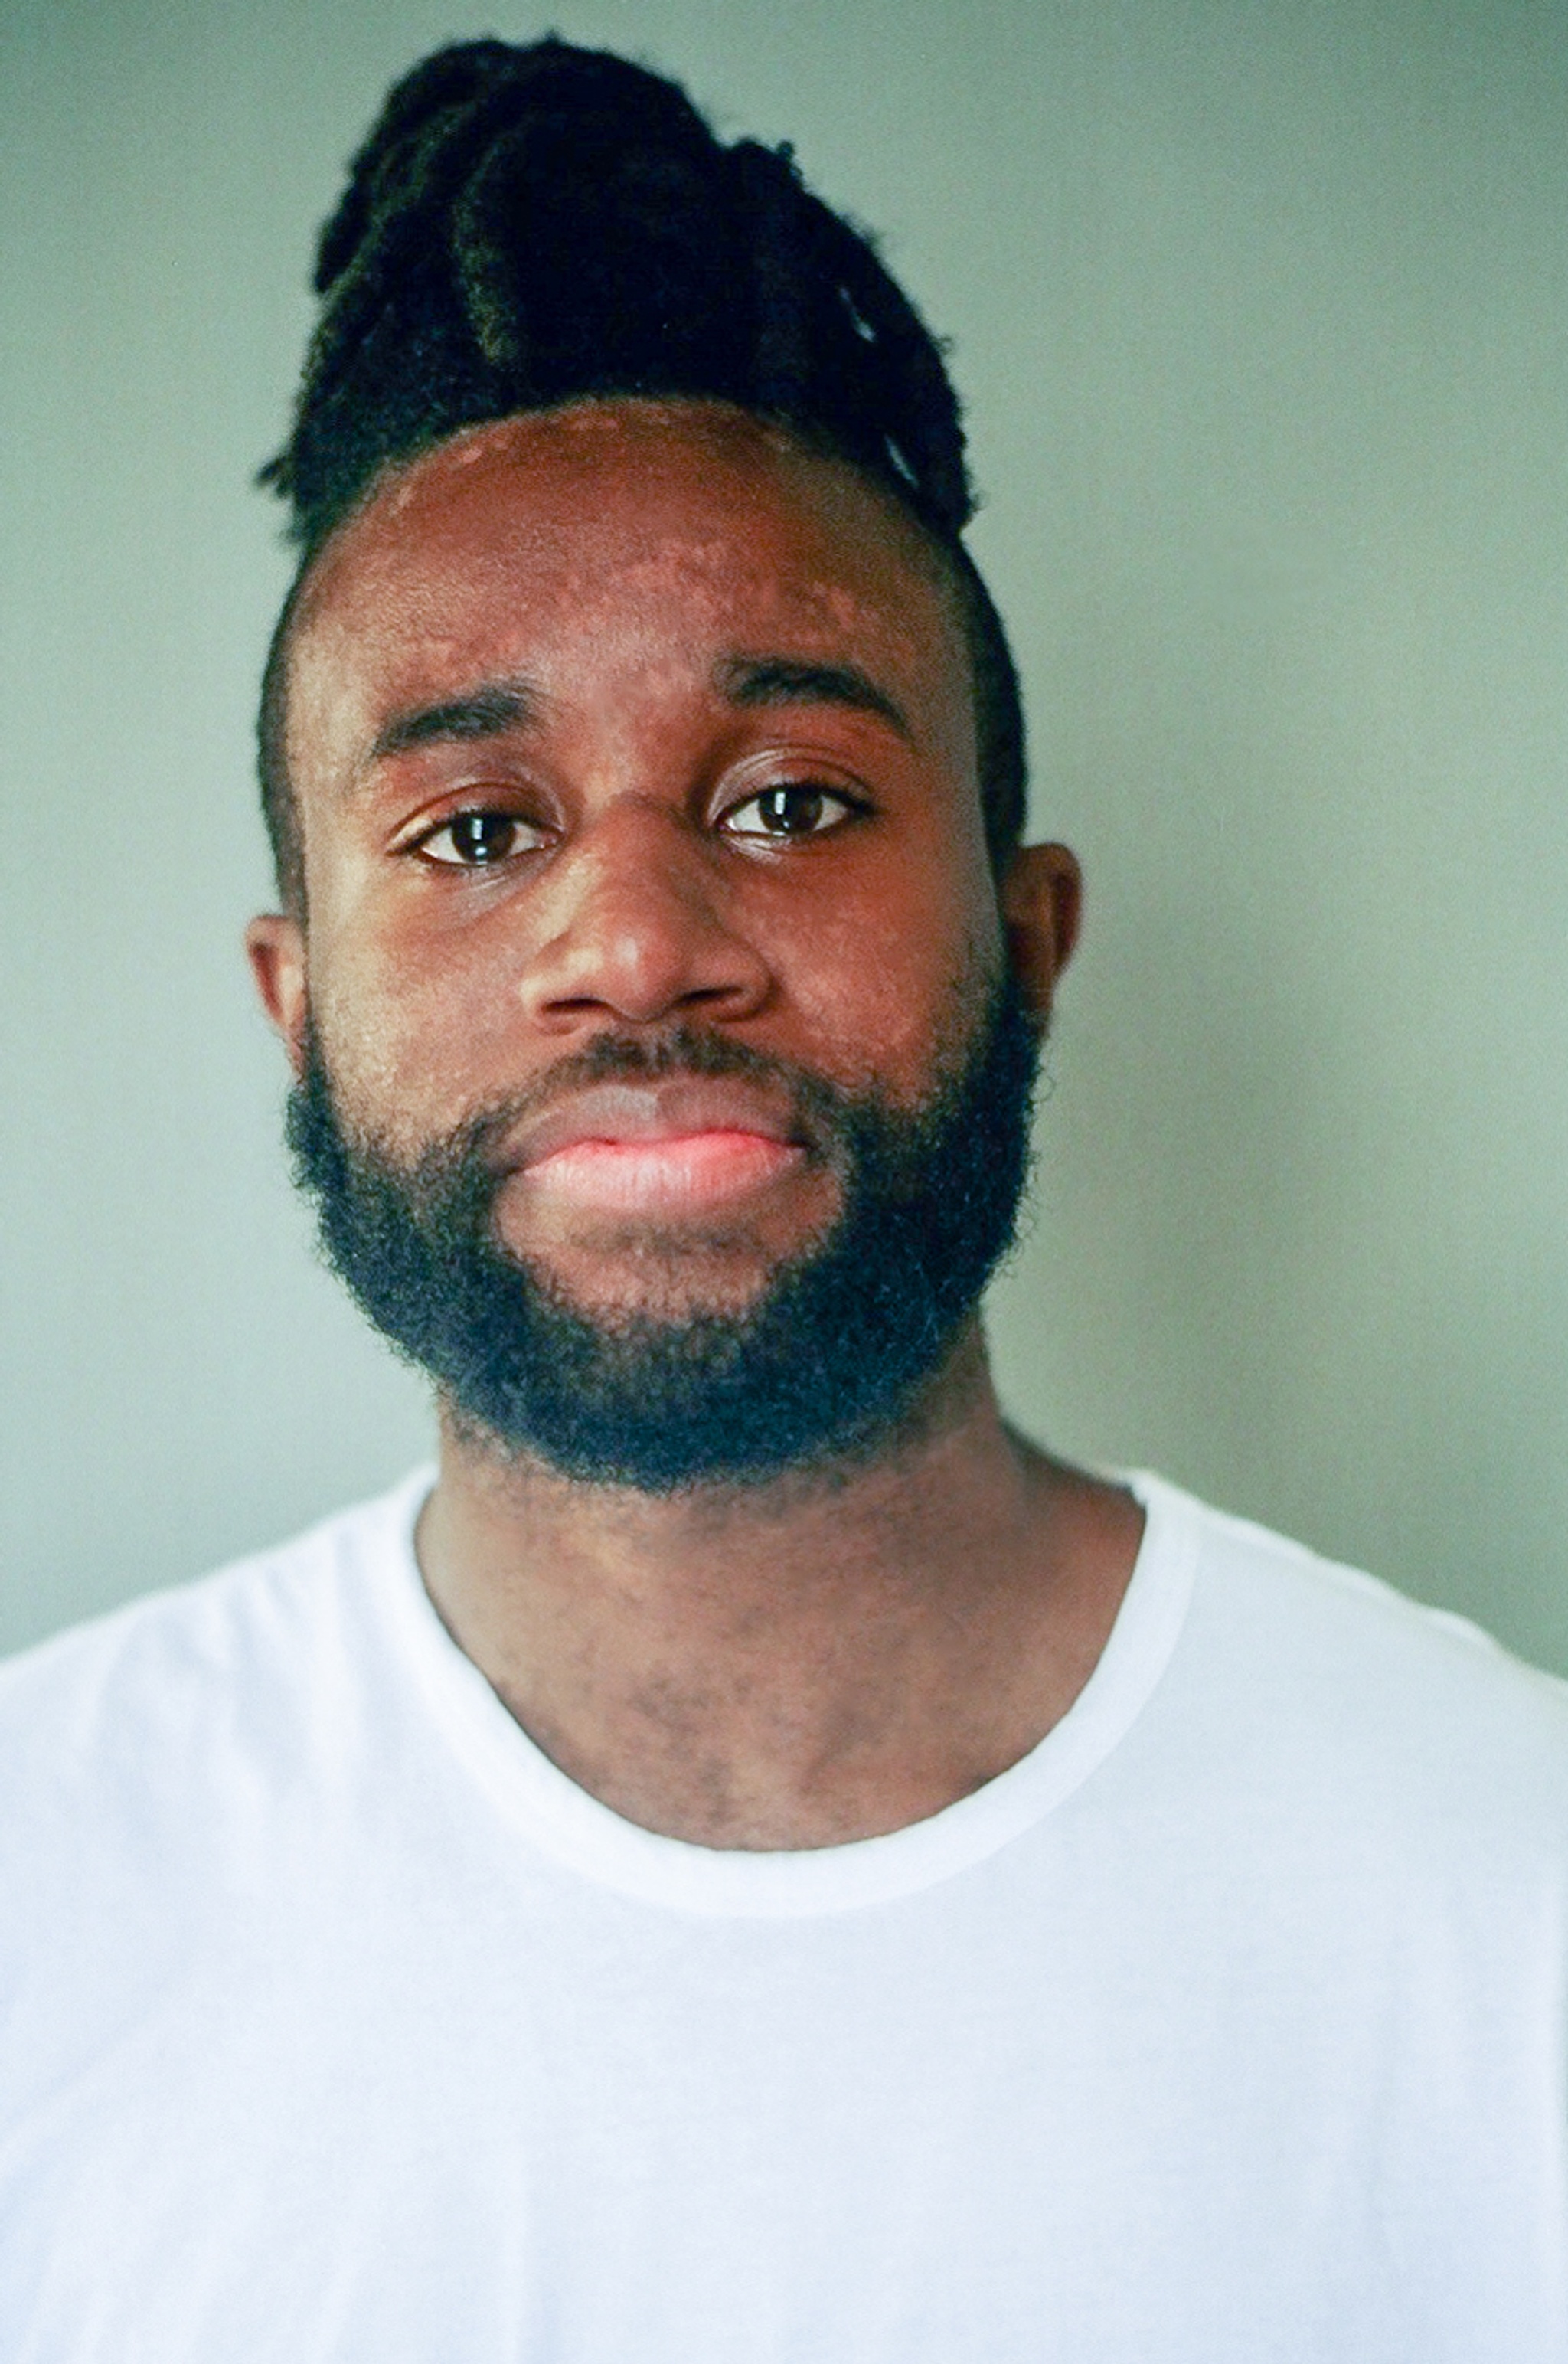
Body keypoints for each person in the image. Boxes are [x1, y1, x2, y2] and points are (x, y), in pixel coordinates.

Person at [3, 34, 1566, 2361]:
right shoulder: (41, 1898)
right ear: (298, 1001)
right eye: (473, 830)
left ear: (1025, 943)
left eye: (797, 802)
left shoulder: (1504, 1887)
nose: (634, 947)